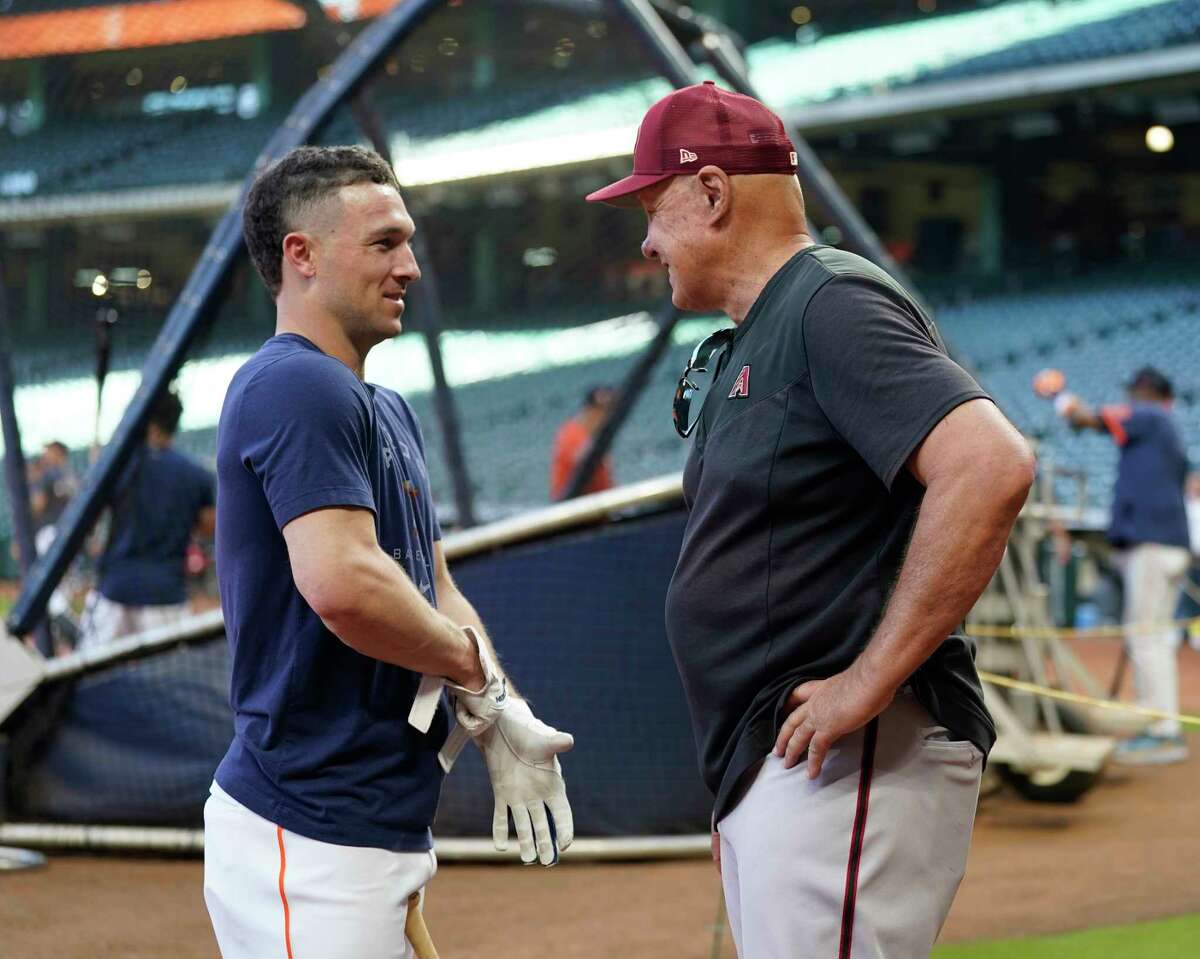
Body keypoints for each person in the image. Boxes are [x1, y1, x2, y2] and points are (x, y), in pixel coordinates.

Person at [587, 82, 1033, 958]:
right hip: (791, 762)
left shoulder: (829, 300)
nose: (645, 240)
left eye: (652, 207)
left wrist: (865, 681)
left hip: (850, 756)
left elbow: (990, 465)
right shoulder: (768, 323)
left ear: (713, 193)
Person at [204, 145, 574, 959]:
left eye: (407, 241)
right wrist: (480, 679)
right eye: (383, 242)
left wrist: (496, 714)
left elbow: (430, 584)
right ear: (300, 255)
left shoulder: (383, 407)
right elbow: (347, 586)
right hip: (309, 839)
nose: (409, 264)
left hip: (367, 831)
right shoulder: (295, 384)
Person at [1057, 367, 1191, 763]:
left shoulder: (1150, 416)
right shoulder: (1168, 426)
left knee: (1145, 638)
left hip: (1151, 544)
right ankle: (1163, 727)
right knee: (1154, 639)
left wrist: (1061, 398)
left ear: (1146, 390)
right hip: (1165, 544)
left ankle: (1163, 732)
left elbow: (1086, 418)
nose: (1131, 397)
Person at [78, 388, 214, 648]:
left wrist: (98, 469)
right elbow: (209, 527)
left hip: (116, 590)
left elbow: (89, 516)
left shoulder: (118, 465)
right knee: (168, 681)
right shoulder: (195, 474)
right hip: (166, 593)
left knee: (88, 681)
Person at [550, 384, 615, 499]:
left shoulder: (593, 435)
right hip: (577, 510)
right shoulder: (573, 434)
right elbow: (580, 459)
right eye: (602, 410)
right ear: (589, 410)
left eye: (610, 410)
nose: (606, 415)